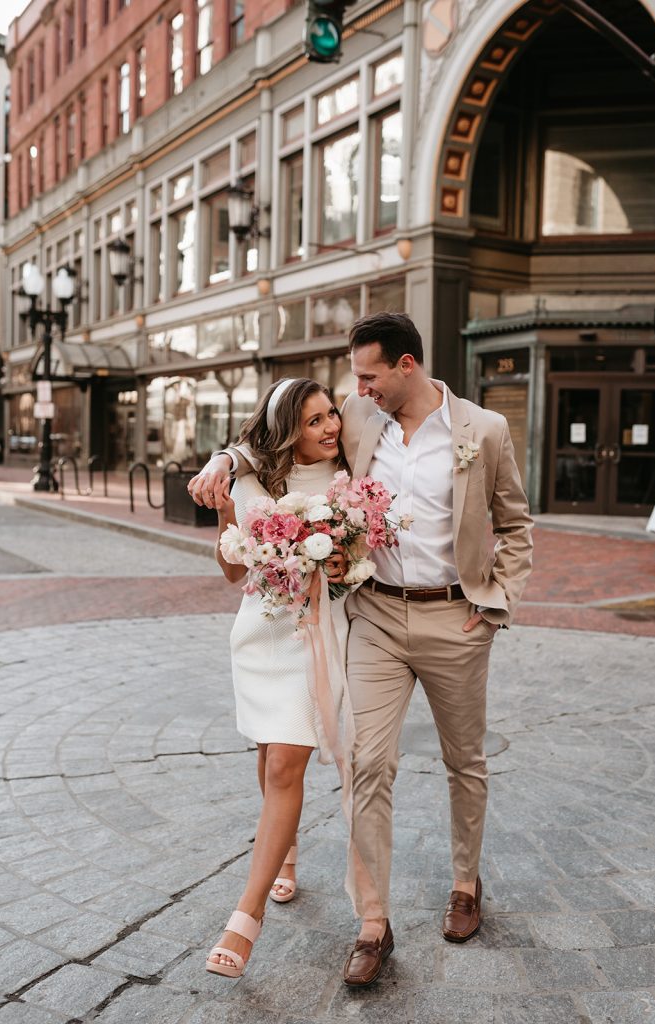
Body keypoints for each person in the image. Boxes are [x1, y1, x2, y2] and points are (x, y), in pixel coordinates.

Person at [190, 312, 533, 987]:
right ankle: (373, 925)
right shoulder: (358, 416)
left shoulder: (483, 431)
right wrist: (223, 461)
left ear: (407, 365)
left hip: (455, 618)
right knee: (368, 765)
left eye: (369, 374)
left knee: (465, 760)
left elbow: (516, 524)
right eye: (354, 379)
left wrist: (497, 603)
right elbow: (271, 440)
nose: (358, 388)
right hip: (374, 617)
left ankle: (466, 883)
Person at [205, 377, 349, 979]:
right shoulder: (248, 481)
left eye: (331, 415)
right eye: (314, 421)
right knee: (271, 755)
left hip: (315, 636)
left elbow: (354, 564)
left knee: (288, 762)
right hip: (259, 633)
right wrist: (225, 521)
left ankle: (246, 916)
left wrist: (341, 560)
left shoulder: (349, 482)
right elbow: (233, 572)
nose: (330, 428)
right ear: (289, 428)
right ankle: (285, 854)